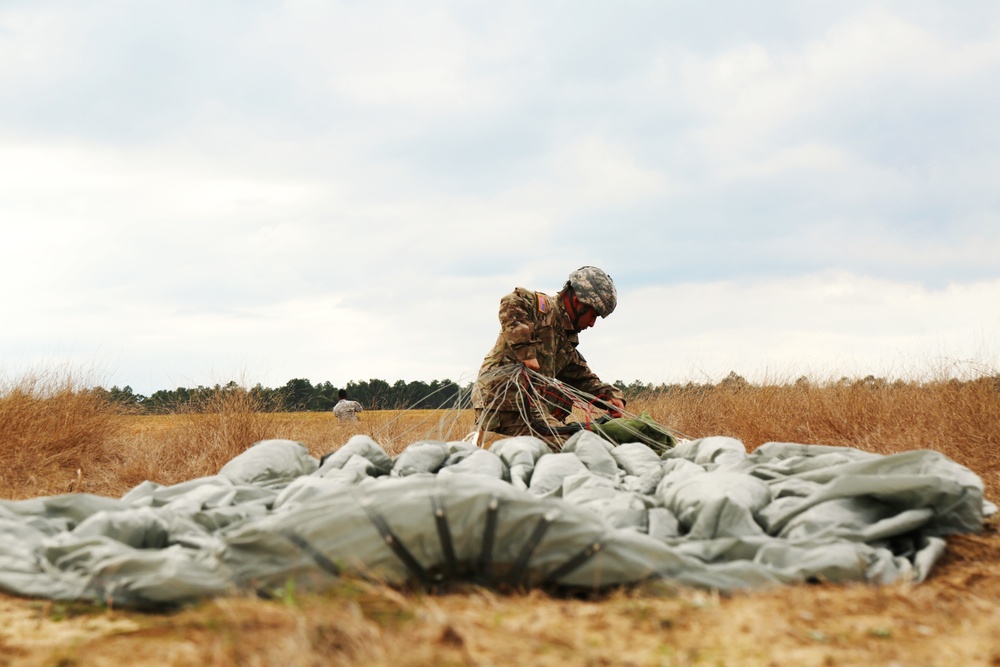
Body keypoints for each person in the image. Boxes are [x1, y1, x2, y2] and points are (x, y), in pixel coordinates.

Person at [472, 266, 626, 446]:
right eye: (593, 315)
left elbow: (582, 379)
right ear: (577, 302)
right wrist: (526, 352)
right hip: (504, 399)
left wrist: (610, 397)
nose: (592, 324)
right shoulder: (544, 309)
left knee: (574, 441)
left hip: (528, 404)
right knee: (564, 447)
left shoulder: (566, 342)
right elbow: (511, 301)